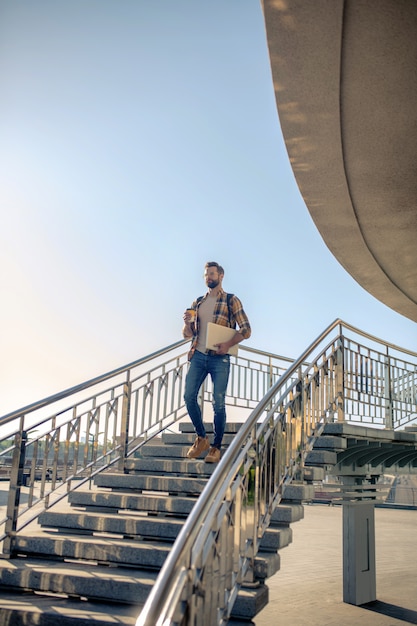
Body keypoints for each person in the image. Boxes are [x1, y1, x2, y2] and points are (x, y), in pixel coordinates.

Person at [182, 261, 251, 463]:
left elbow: (246, 330)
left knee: (218, 403)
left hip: (219, 358)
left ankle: (216, 447)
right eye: (206, 275)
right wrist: (186, 323)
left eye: (211, 274)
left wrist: (228, 344)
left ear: (221, 276)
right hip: (198, 355)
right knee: (188, 397)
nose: (208, 277)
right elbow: (188, 335)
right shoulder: (198, 303)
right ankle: (202, 438)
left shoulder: (231, 300)